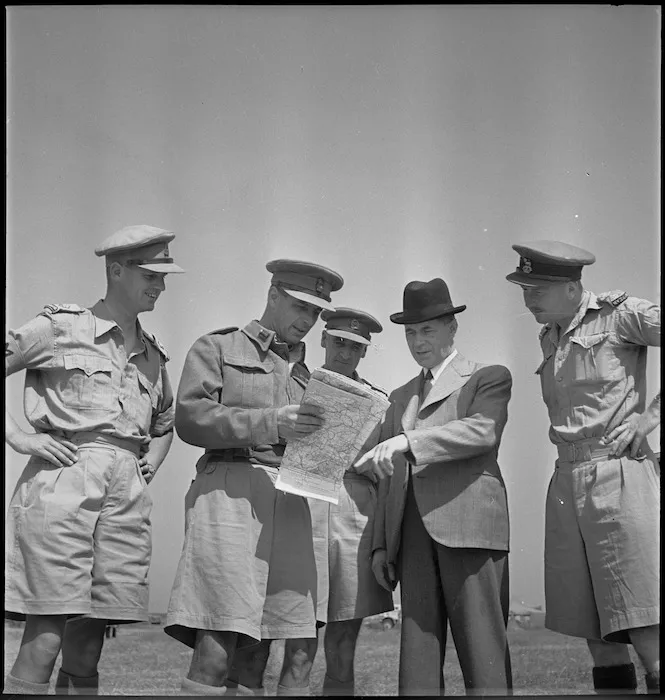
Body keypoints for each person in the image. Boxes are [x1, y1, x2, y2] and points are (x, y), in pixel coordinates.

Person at [4, 224, 183, 695]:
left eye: (164, 277)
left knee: (89, 641)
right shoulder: (62, 328)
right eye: (151, 274)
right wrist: (20, 439)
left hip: (125, 498)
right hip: (64, 484)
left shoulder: (153, 355)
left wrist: (154, 460)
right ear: (117, 270)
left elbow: (166, 420)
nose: (160, 286)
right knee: (45, 636)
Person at [164, 259, 344, 697]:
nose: (307, 320)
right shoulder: (219, 348)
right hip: (229, 492)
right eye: (300, 306)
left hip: (292, 501)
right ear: (273, 294)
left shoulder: (309, 377)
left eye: (315, 313)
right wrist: (271, 423)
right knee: (217, 642)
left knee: (262, 647)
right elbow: (189, 419)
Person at [505, 240, 660, 694]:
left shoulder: (620, 315)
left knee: (646, 624)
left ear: (573, 288)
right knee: (598, 633)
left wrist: (650, 417)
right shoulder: (550, 333)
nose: (528, 299)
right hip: (566, 483)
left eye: (538, 288)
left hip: (619, 476)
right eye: (524, 288)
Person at [355, 278, 513, 697]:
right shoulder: (400, 396)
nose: (418, 341)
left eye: (427, 330)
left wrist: (409, 441)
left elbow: (482, 432)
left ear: (451, 328)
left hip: (471, 529)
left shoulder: (487, 377)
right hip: (412, 538)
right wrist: (381, 547)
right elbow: (386, 477)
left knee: (485, 660)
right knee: (418, 666)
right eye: (410, 332)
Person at [279, 308, 394, 697]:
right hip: (301, 505)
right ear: (324, 340)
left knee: (344, 645)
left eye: (356, 347)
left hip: (355, 513)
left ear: (364, 353)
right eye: (340, 342)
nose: (345, 353)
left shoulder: (379, 401)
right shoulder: (293, 386)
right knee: (298, 643)